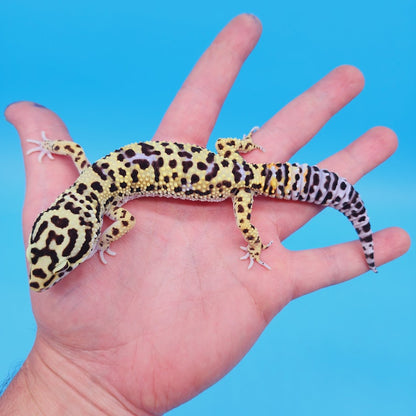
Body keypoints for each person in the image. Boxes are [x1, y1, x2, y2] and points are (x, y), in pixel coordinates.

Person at [0, 14, 410, 416]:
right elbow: (72, 151)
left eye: (62, 265)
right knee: (244, 163)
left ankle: (314, 229)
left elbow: (126, 221)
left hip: (237, 184)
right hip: (227, 159)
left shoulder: (108, 209)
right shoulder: (88, 175)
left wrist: (105, 239)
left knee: (246, 223)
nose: (47, 277)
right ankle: (334, 208)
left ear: (68, 220)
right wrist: (53, 148)